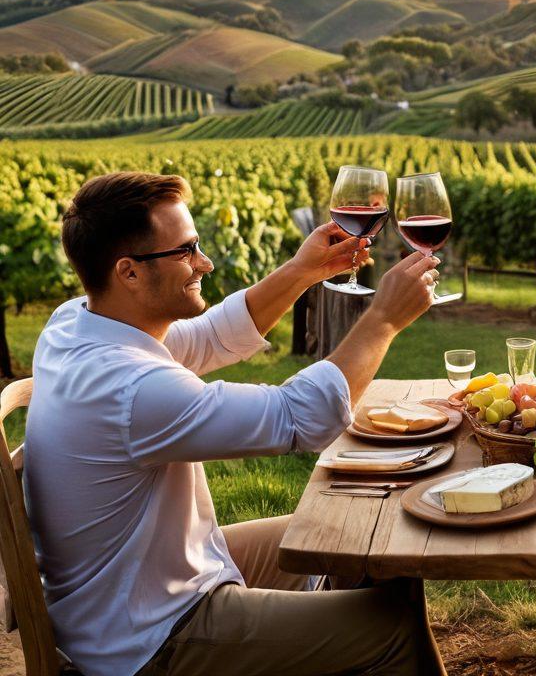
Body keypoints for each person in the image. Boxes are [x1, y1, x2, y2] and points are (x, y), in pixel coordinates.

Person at [25, 171, 446, 676]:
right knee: (391, 630)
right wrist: (383, 320)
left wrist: (301, 271)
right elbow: (300, 418)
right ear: (129, 273)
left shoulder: (76, 324)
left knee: (362, 540)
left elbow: (210, 337)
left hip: (142, 583)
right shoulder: (133, 389)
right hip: (150, 635)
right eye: (185, 251)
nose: (204, 261)